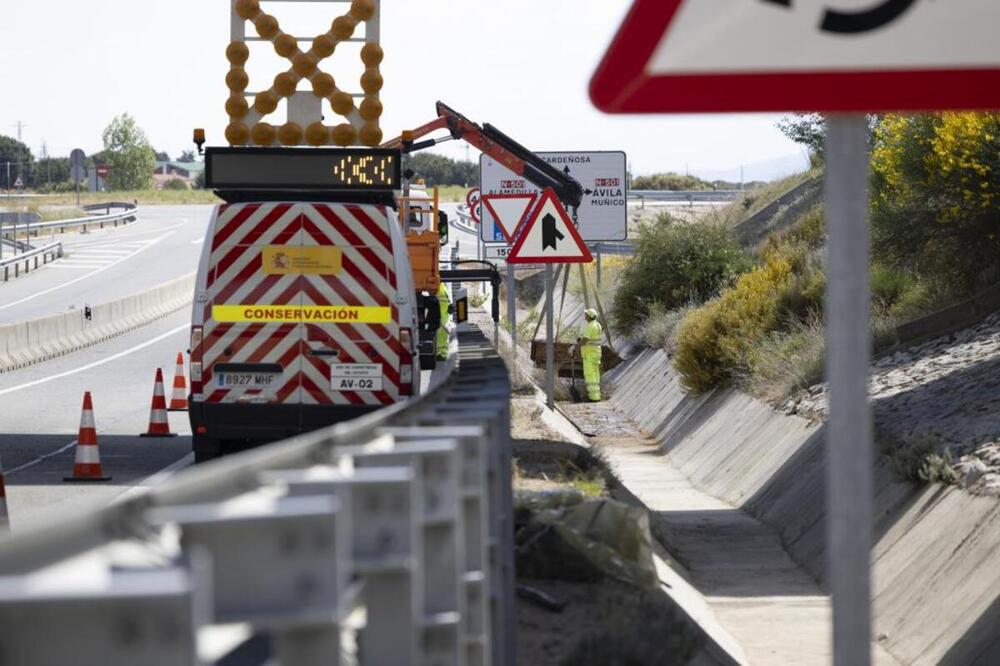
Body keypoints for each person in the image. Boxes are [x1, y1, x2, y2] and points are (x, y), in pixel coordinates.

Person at [578, 308, 603, 402]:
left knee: (589, 375)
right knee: (595, 375)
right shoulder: (598, 325)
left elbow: (585, 340)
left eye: (586, 314)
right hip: (596, 353)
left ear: (589, 316)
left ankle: (593, 397)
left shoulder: (590, 326)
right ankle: (597, 395)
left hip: (590, 354)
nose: (585, 316)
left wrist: (575, 347)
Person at [436, 282, 451, 361]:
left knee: (443, 336)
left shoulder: (443, 286)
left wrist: (449, 307)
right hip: (438, 316)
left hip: (444, 316)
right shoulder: (436, 285)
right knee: (439, 335)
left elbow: (446, 301)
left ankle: (442, 354)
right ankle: (438, 354)